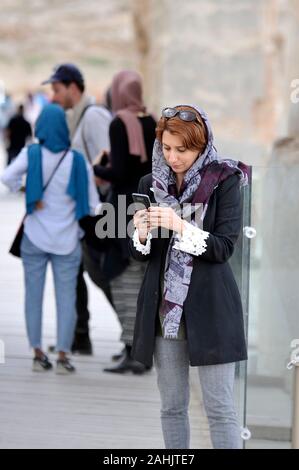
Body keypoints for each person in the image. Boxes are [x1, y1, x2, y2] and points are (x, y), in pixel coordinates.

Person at [130, 105, 250, 448]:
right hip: (164, 313)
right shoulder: (149, 184)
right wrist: (139, 234)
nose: (173, 157)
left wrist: (179, 225)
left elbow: (224, 247)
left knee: (220, 409)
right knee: (171, 407)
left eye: (182, 150)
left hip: (211, 309)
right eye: (167, 148)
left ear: (201, 144)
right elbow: (142, 256)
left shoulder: (226, 180)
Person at [1, 104, 99, 374]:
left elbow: (7, 177)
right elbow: (92, 206)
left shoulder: (31, 154)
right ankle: (64, 356)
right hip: (67, 241)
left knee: (33, 296)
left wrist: (28, 189)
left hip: (34, 237)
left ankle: (37, 353)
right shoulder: (77, 160)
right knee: (66, 299)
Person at [42, 63, 112, 355]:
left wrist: (86, 178)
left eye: (57, 90)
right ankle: (79, 335)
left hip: (97, 211)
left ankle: (136, 337)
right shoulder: (78, 117)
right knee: (77, 271)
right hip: (84, 211)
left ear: (73, 87)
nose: (54, 97)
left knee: (102, 273)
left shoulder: (93, 116)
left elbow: (109, 159)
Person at [93, 70, 156, 374]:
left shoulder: (120, 123)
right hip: (145, 206)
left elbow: (119, 173)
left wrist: (99, 167)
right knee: (141, 279)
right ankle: (136, 348)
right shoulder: (153, 121)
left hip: (120, 210)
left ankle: (132, 349)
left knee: (121, 277)